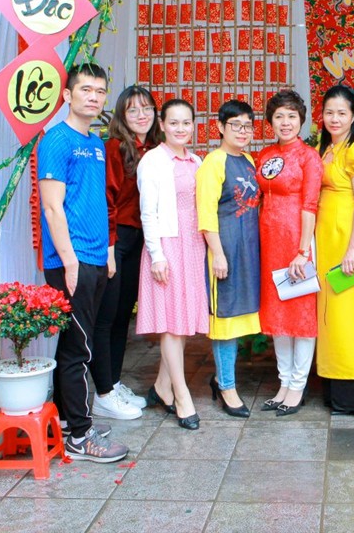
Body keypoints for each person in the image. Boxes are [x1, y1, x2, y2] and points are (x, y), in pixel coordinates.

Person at [37, 62, 129, 463]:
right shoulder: (56, 140)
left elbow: (98, 202)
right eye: (85, 89)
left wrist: (106, 252)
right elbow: (52, 207)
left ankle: (67, 421)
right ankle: (79, 435)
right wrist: (70, 262)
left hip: (94, 258)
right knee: (79, 349)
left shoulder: (95, 142)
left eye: (99, 91)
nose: (93, 97)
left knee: (79, 343)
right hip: (70, 261)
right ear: (67, 95)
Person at [135, 99, 209, 431]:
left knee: (183, 322)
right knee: (170, 324)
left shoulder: (196, 160)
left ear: (194, 125)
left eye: (186, 122)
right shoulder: (153, 160)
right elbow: (147, 212)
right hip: (166, 246)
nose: (181, 128)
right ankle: (182, 396)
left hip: (192, 246)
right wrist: (157, 255)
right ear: (162, 125)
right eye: (174, 122)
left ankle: (162, 387)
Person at [90, 85, 160, 421]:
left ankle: (114, 384)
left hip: (139, 240)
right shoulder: (114, 148)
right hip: (116, 240)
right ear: (122, 115)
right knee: (106, 318)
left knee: (121, 317)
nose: (141, 115)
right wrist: (109, 249)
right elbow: (106, 200)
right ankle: (102, 393)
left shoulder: (155, 149)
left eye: (146, 109)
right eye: (133, 110)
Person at [254, 89, 323, 416]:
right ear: (271, 121)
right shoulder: (265, 154)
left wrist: (302, 251)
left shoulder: (309, 157)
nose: (285, 122)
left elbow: (310, 205)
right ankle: (283, 382)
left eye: (291, 116)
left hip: (297, 240)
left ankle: (297, 385)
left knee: (300, 313)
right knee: (277, 313)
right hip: (269, 242)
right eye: (279, 116)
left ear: (301, 120)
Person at [315, 84, 354, 415]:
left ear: (353, 116)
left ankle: (353, 395)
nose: (335, 119)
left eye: (342, 113)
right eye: (329, 112)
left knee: (348, 315)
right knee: (329, 316)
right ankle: (331, 386)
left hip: (346, 243)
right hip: (325, 241)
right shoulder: (325, 147)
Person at [197, 100, 262, 419]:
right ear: (220, 127)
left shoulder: (248, 160)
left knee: (238, 318)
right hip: (225, 252)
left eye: (248, 125)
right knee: (224, 320)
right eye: (235, 125)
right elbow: (206, 212)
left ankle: (221, 379)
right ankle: (227, 387)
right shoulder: (214, 162)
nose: (242, 131)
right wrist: (218, 254)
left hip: (248, 250)